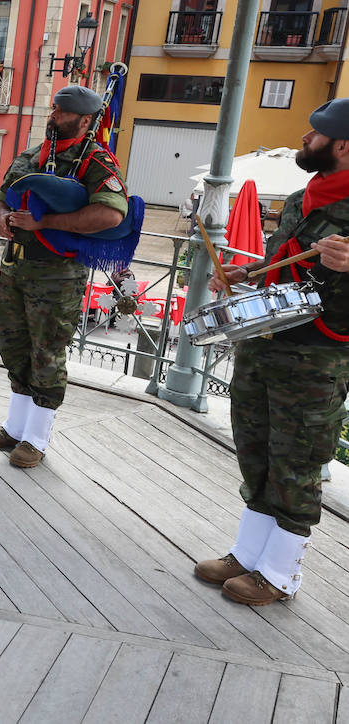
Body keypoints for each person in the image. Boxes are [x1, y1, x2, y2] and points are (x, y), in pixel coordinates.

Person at [194, 98, 349, 606]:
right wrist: (246, 273)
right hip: (267, 341)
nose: (306, 138)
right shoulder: (306, 197)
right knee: (256, 450)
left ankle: (281, 573)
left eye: (317, 133)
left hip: (317, 354)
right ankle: (249, 553)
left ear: (343, 146)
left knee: (297, 461)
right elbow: (279, 261)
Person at [0, 85, 127, 467]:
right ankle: (15, 427)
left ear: (86, 120)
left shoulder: (95, 161)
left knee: (46, 352)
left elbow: (111, 214)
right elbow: (0, 196)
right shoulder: (31, 155)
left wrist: (46, 223)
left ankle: (37, 438)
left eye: (61, 112)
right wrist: (0, 219)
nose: (53, 117)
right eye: (53, 110)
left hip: (57, 275)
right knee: (14, 348)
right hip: (16, 267)